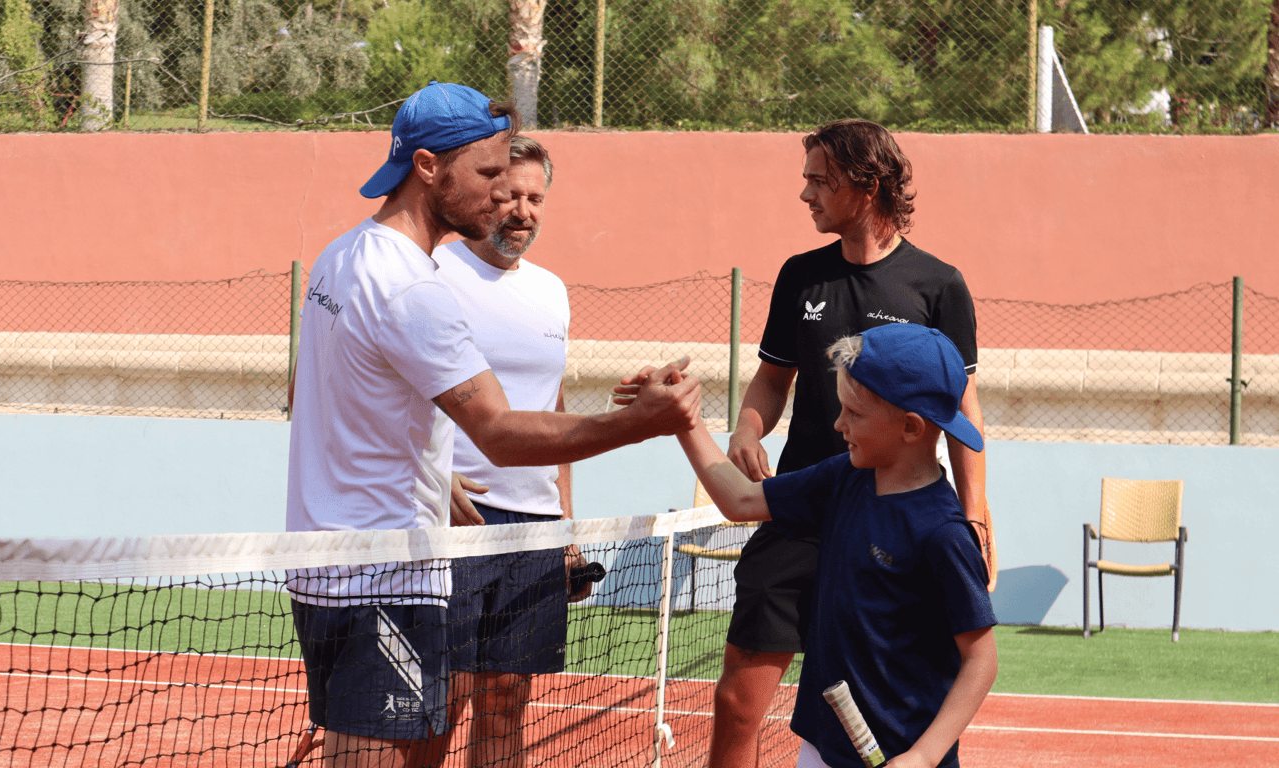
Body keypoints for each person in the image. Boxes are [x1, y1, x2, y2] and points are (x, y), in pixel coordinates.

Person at [285, 82, 702, 768]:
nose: (499, 194)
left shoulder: (343, 254)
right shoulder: (416, 290)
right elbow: (501, 434)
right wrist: (645, 423)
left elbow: (314, 392)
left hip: (330, 570)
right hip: (384, 578)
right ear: (427, 168)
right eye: (484, 175)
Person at [713, 119, 995, 767]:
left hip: (888, 523)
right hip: (801, 508)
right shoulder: (799, 276)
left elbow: (961, 407)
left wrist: (975, 513)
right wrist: (747, 427)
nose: (805, 194)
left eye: (819, 181)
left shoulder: (938, 284)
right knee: (737, 704)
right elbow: (769, 380)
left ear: (865, 187)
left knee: (896, 698)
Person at [665, 322, 998, 768]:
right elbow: (740, 499)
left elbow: (982, 660)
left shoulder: (943, 532)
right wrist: (685, 422)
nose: (839, 423)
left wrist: (922, 756)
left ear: (911, 427)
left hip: (901, 756)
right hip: (823, 748)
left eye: (853, 414)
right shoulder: (844, 476)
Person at [430, 135, 581, 768]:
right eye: (508, 195)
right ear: (483, 195)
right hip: (456, 527)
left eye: (534, 198)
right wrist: (434, 480)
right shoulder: (434, 273)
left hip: (536, 531)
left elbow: (555, 409)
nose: (522, 210)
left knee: (506, 702)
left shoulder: (552, 291)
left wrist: (566, 520)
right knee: (442, 701)